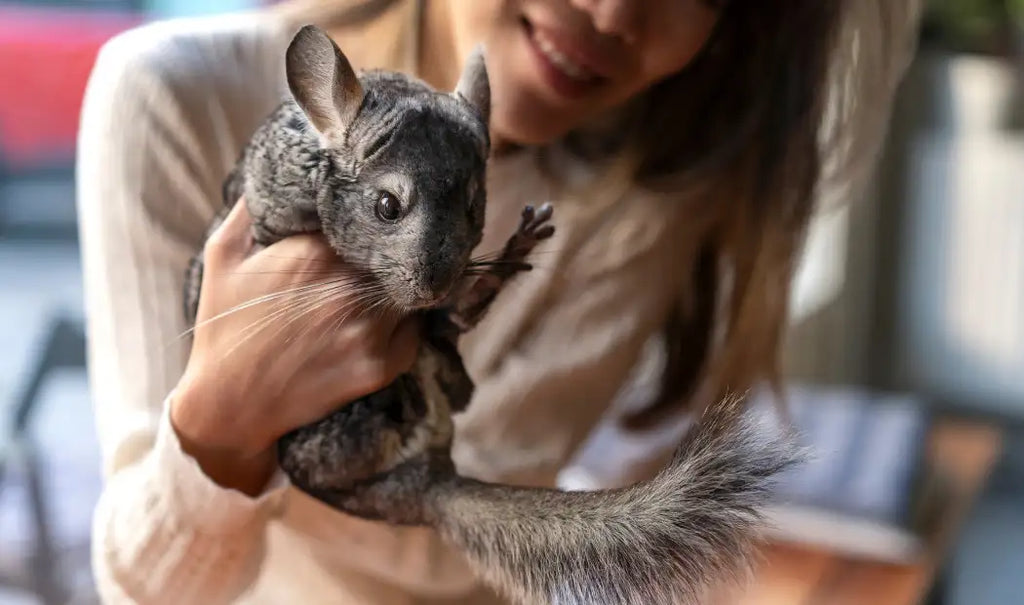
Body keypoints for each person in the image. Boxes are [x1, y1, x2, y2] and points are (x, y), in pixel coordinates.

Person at [75, 0, 923, 603]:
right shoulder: (170, 96)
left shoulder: (654, 195)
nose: (617, 13)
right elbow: (145, 587)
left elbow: (465, 536)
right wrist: (224, 418)